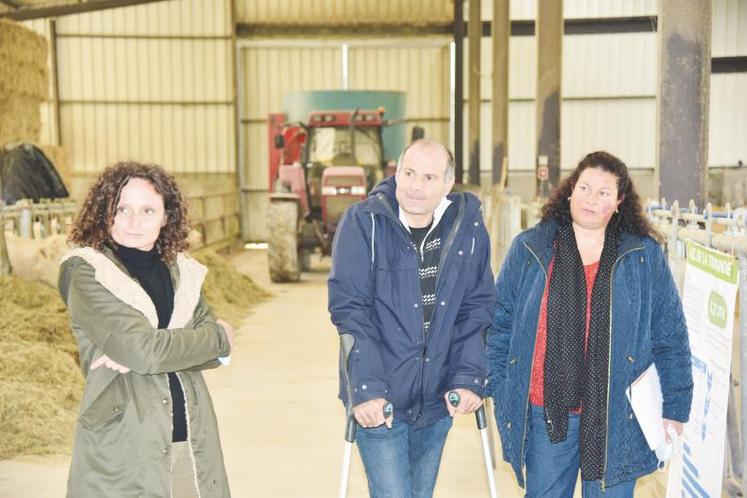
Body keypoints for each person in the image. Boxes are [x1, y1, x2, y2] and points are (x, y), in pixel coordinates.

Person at [486, 151, 693, 497]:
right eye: (584, 188)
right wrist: (497, 383)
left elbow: (670, 333)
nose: (591, 200)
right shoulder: (532, 247)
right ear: (570, 190)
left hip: (617, 413)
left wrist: (675, 406)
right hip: (546, 409)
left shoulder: (642, 256)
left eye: (603, 193)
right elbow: (500, 321)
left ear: (619, 202)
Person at [328, 139, 496, 497]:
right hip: (381, 395)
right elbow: (350, 310)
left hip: (436, 396)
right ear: (397, 172)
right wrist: (367, 390)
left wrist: (468, 377)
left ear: (447, 184)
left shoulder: (467, 227)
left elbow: (476, 307)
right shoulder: (364, 223)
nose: (416, 186)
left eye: (429, 177)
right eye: (409, 173)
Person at [59, 161, 234, 497]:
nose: (133, 222)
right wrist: (218, 337)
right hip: (125, 443)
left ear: (167, 216)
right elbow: (148, 353)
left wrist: (207, 346)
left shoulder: (182, 272)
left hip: (190, 438)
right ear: (103, 212)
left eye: (148, 210)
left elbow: (214, 358)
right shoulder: (87, 271)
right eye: (121, 209)